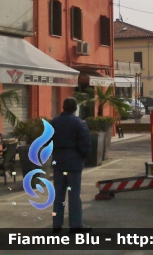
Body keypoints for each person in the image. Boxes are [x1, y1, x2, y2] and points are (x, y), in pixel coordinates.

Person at [51, 97, 91, 233]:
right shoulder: (79, 123)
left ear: (63, 107)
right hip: (73, 162)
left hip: (58, 162)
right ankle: (75, 225)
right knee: (74, 195)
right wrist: (82, 156)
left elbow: (47, 141)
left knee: (58, 195)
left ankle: (57, 224)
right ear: (75, 109)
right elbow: (85, 143)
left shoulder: (54, 122)